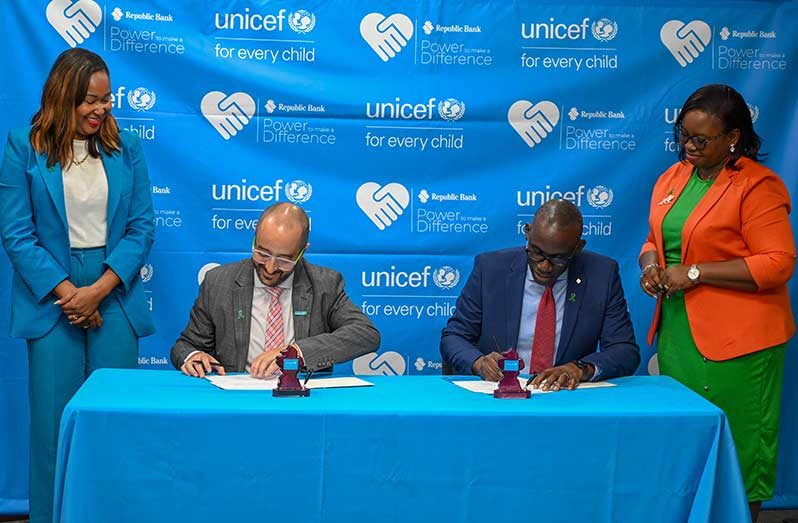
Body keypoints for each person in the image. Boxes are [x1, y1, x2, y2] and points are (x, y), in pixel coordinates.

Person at [0, 48, 155, 523]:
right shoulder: (23, 147)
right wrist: (71, 294)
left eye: (107, 100)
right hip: (52, 300)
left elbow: (141, 228)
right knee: (53, 427)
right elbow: (17, 234)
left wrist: (98, 290)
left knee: (115, 421)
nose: (100, 110)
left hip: (113, 294)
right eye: (89, 100)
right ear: (62, 96)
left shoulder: (127, 147)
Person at [639, 84, 795, 521]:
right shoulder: (673, 178)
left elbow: (778, 263)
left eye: (701, 139)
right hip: (679, 337)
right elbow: (655, 239)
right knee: (687, 445)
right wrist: (651, 265)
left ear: (732, 138)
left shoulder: (757, 185)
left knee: (741, 452)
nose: (688, 146)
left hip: (741, 346)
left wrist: (694, 273)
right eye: (683, 135)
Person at [441, 199, 639, 390]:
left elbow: (624, 351)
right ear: (527, 233)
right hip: (497, 394)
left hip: (563, 397)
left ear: (578, 248)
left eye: (558, 258)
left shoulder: (602, 274)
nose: (544, 266)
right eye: (536, 252)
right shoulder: (491, 269)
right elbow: (454, 336)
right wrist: (479, 362)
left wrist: (580, 368)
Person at [171, 202, 380, 377]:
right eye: (262, 253)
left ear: (302, 251)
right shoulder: (219, 282)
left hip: (304, 401)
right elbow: (186, 345)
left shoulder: (325, 284)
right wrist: (193, 356)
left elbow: (366, 335)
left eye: (284, 260)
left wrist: (296, 353)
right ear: (254, 238)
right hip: (237, 399)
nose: (270, 268)